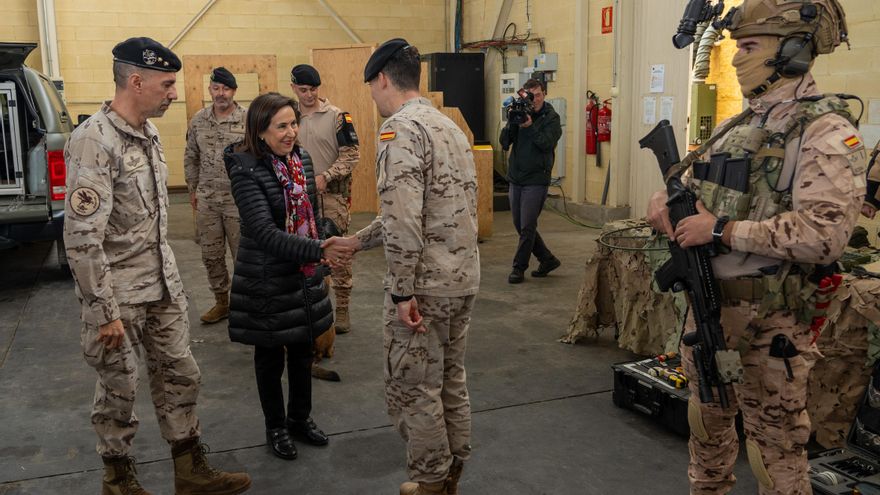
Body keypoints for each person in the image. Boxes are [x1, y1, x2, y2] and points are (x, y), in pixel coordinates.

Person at [646, 1, 865, 493]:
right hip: (709, 317)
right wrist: (666, 197)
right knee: (706, 437)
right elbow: (694, 189)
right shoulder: (739, 126)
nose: (737, 58)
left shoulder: (826, 132)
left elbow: (823, 235)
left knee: (776, 458)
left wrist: (721, 231)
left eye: (748, 46)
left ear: (790, 53)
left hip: (772, 331)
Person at [63, 37, 251, 495]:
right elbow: (82, 238)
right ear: (135, 80)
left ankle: (189, 470)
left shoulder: (147, 133)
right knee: (118, 391)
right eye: (167, 84)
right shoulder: (94, 140)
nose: (173, 93)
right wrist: (103, 311)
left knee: (181, 375)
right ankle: (118, 478)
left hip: (162, 288)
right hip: (118, 297)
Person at [337, 38, 480, 495]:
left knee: (415, 388)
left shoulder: (399, 130)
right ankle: (452, 471)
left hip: (424, 287)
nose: (374, 97)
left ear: (381, 79)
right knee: (450, 377)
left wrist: (402, 292)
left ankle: (431, 481)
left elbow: (404, 221)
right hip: (461, 278)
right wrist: (357, 241)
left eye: (372, 87)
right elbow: (429, 209)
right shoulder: (449, 128)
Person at [223, 92, 353, 461]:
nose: (291, 132)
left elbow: (309, 213)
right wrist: (319, 250)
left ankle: (300, 419)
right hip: (265, 276)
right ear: (260, 130)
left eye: (294, 123)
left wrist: (324, 238)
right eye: (281, 126)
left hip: (301, 272)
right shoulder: (245, 167)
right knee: (269, 357)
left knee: (301, 349)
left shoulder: (302, 160)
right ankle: (276, 427)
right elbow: (263, 232)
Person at [290, 64, 360, 333]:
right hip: (298, 200)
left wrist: (326, 176)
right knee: (303, 254)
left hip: (330, 197)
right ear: (294, 87)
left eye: (314, 89)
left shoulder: (337, 117)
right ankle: (309, 308)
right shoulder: (289, 117)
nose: (309, 95)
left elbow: (352, 155)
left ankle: (341, 310)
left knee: (339, 252)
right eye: (303, 90)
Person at [184, 66, 247, 324]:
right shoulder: (199, 120)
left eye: (226, 89)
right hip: (208, 199)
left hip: (238, 201)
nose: (221, 94)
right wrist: (193, 189)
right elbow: (191, 156)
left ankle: (245, 306)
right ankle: (222, 302)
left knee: (243, 256)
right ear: (210, 89)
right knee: (211, 255)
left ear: (234, 91)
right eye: (216, 88)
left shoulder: (248, 119)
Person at [500, 78, 563, 284]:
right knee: (520, 226)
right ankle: (547, 259)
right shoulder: (519, 113)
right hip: (516, 178)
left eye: (537, 95)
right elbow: (504, 143)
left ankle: (519, 268)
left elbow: (546, 144)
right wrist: (511, 121)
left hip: (536, 179)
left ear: (544, 93)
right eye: (530, 95)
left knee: (527, 226)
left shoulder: (552, 118)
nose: (533, 100)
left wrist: (529, 126)